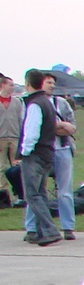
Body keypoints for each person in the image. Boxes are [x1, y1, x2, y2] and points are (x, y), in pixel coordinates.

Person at [23, 72, 76, 242]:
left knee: (35, 194)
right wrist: (59, 126)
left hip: (44, 152)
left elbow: (33, 132)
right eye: (48, 82)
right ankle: (36, 230)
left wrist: (25, 151)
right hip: (48, 151)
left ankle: (56, 229)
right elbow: (53, 128)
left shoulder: (40, 104)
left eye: (53, 83)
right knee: (40, 192)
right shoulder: (40, 102)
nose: (52, 86)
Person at [0, 73, 24, 206]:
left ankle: (19, 194)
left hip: (15, 137)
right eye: (10, 85)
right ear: (3, 85)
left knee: (16, 167)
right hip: (1, 138)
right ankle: (4, 195)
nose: (12, 87)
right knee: (2, 167)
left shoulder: (17, 102)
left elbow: (20, 120)